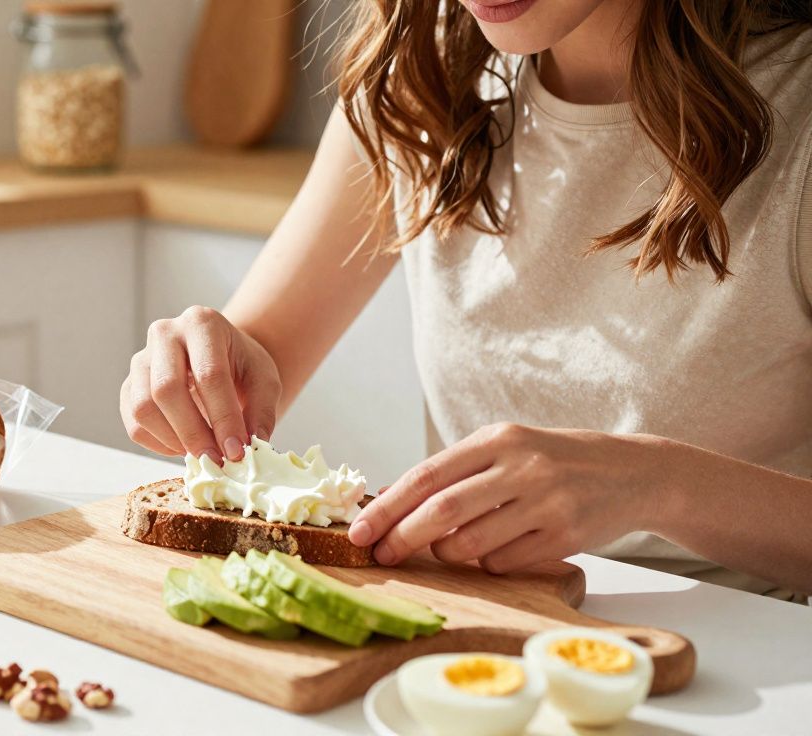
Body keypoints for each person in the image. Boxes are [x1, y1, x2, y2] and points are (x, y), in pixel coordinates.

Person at [119, 0, 812, 600]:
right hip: (482, 634)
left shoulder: (798, 115)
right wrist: (199, 366)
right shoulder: (424, 74)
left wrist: (657, 482)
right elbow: (255, 354)